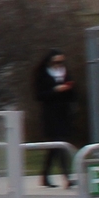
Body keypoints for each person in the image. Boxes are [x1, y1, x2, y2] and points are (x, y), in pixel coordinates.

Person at [34, 50, 81, 186]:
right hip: (50, 113)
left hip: (64, 112)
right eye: (56, 62)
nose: (59, 65)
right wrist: (55, 90)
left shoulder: (65, 73)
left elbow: (73, 93)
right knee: (59, 144)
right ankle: (67, 176)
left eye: (61, 62)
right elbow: (39, 96)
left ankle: (45, 175)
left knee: (55, 146)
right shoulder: (42, 74)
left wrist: (68, 89)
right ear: (50, 61)